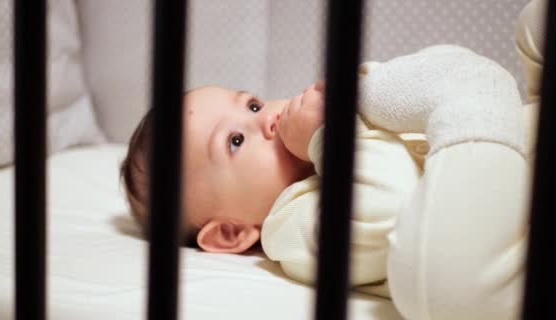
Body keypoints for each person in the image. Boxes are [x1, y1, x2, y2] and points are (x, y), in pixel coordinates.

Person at [122, 8, 543, 314]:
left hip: (514, 148)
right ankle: (478, 96)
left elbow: (426, 88)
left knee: (533, 29)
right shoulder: (292, 226)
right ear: (231, 233)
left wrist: (361, 93)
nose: (266, 120)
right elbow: (387, 203)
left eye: (251, 105)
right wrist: (331, 136)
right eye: (234, 141)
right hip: (502, 243)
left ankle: (479, 97)